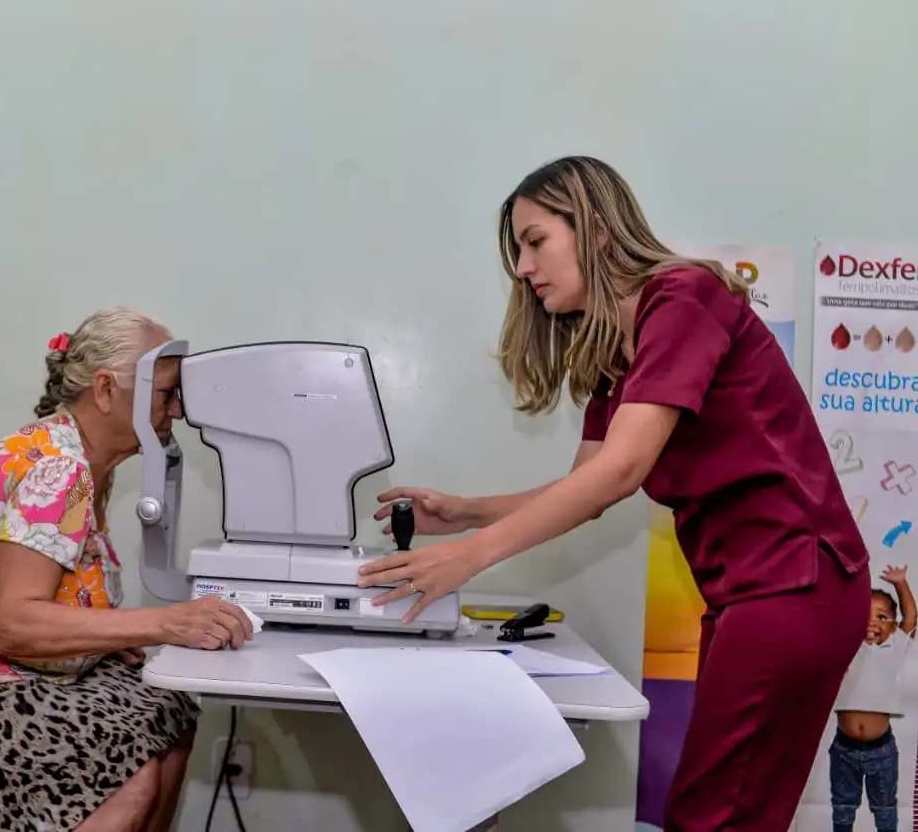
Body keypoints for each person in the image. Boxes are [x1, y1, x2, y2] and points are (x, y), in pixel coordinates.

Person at [356, 155, 871, 831]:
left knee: (712, 815)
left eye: (535, 241)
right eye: (517, 251)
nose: (522, 267)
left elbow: (622, 469)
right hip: (754, 591)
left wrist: (472, 556)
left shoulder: (683, 298)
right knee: (729, 812)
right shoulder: (619, 356)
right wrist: (463, 513)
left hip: (796, 583)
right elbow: (588, 488)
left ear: (596, 230)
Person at [0, 306, 254, 832]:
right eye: (165, 394)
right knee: (129, 786)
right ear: (108, 391)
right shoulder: (59, 470)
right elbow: (15, 625)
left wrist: (108, 634)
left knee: (170, 710)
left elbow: (49, 588)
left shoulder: (79, 455)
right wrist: (166, 621)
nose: (176, 411)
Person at [830, 564, 915, 832]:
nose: (872, 624)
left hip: (882, 750)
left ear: (892, 627)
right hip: (843, 749)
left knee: (885, 811)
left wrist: (900, 583)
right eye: (865, 616)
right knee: (843, 809)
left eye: (881, 618)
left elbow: (911, 617)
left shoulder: (893, 650)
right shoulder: (842, 648)